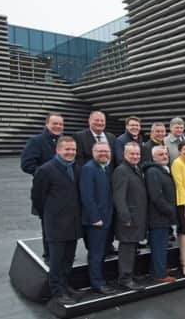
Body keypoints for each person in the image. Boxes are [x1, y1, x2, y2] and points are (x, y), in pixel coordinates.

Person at [31, 136, 83, 304]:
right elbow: (37, 198)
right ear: (58, 150)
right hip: (56, 224)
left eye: (73, 149)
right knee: (56, 260)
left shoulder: (76, 168)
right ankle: (56, 292)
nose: (71, 152)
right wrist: (48, 216)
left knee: (68, 259)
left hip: (73, 223)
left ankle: (65, 286)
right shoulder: (45, 170)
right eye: (67, 149)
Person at [21, 112, 64, 260]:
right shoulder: (36, 141)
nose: (58, 126)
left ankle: (60, 253)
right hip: (45, 189)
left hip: (63, 190)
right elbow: (26, 164)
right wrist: (46, 174)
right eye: (55, 123)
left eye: (60, 124)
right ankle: (49, 255)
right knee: (48, 224)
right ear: (47, 124)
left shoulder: (63, 141)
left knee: (62, 222)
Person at [79, 141, 116, 295]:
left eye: (106, 151)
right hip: (96, 221)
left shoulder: (106, 168)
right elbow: (87, 197)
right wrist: (95, 218)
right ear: (93, 152)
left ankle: (101, 279)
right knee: (96, 253)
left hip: (107, 218)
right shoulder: (88, 169)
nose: (104, 154)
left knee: (102, 252)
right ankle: (97, 284)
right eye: (100, 151)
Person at [112, 142, 147, 291]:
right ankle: (125, 278)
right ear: (125, 154)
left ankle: (129, 274)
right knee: (126, 248)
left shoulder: (136, 168)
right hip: (128, 219)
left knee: (132, 247)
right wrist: (125, 218)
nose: (135, 156)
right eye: (132, 154)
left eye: (137, 154)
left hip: (137, 217)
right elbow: (119, 197)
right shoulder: (121, 170)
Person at [143, 145, 177, 283]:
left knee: (162, 245)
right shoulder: (152, 172)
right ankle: (159, 274)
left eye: (165, 154)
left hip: (164, 216)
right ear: (153, 157)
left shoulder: (162, 170)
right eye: (161, 155)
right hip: (158, 216)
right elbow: (156, 196)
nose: (164, 156)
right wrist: (170, 210)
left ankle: (159, 268)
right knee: (158, 246)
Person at [170, 140, 185, 276]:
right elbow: (179, 184)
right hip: (183, 204)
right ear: (179, 151)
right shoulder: (177, 163)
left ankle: (183, 259)